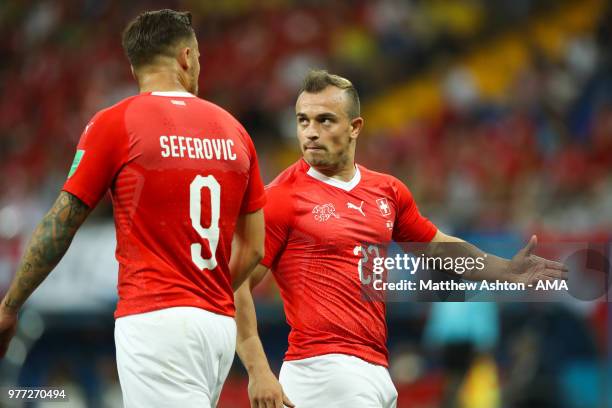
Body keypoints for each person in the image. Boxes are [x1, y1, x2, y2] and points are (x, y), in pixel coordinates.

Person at [234, 70, 568, 408]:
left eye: (325, 120)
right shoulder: (281, 197)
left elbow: (438, 247)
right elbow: (237, 285)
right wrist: (258, 370)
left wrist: (506, 271)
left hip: (376, 371)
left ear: (355, 127)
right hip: (321, 371)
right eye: (303, 121)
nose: (311, 132)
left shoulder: (387, 191)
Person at [0, 9, 266, 407]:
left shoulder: (116, 123)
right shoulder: (235, 130)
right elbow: (255, 248)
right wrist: (205, 294)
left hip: (154, 320)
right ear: (187, 57)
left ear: (133, 65)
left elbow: (62, 223)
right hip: (217, 326)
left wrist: (10, 306)